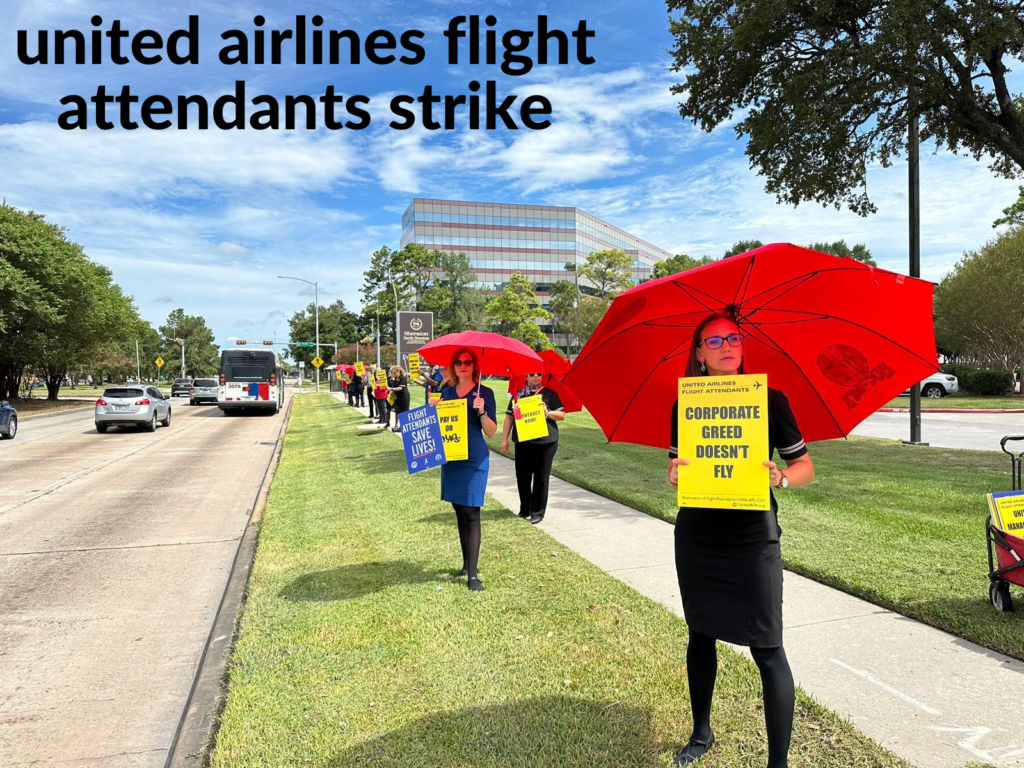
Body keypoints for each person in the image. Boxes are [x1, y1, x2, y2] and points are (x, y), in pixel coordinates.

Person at [667, 313, 814, 768]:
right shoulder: (684, 406)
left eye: (734, 337)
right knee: (700, 635)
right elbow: (678, 467)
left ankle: (778, 764)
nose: (726, 345)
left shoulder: (769, 401)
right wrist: (673, 474)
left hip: (753, 537)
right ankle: (701, 732)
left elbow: (804, 467)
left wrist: (782, 477)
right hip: (698, 533)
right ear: (699, 352)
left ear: (743, 345)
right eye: (714, 339)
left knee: (767, 647)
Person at [439, 348, 497, 592]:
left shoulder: (485, 393)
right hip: (451, 457)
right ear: (453, 366)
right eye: (459, 362)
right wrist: (434, 408)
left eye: (468, 362)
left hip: (474, 458)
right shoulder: (446, 392)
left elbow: (491, 432)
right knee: (460, 511)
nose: (463, 365)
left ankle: (473, 575)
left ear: (475, 366)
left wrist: (482, 411)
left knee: (472, 511)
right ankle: (466, 565)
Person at [501, 370, 565, 524]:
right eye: (532, 374)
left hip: (546, 442)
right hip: (523, 441)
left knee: (541, 477)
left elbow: (562, 415)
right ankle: (525, 509)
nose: (536, 376)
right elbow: (509, 417)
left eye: (539, 374)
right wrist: (504, 439)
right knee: (522, 476)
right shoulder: (518, 396)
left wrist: (547, 412)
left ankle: (537, 512)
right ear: (525, 377)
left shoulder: (550, 394)